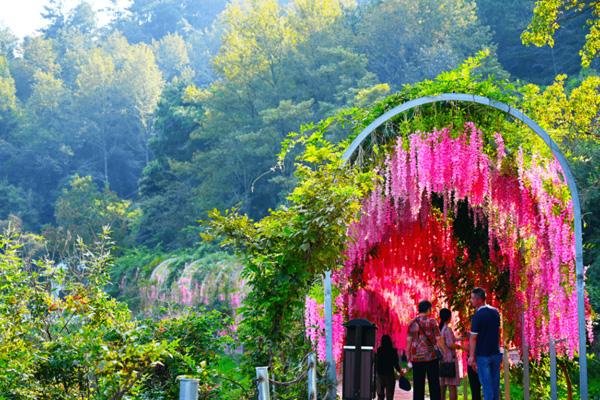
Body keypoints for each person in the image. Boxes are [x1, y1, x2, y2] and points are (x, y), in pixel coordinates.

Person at [406, 300, 447, 400]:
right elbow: (438, 339)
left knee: (418, 386)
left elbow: (409, 342)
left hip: (416, 358)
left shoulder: (412, 323)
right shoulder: (432, 321)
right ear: (428, 309)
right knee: (434, 385)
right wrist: (444, 352)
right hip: (431, 357)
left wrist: (408, 356)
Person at [468, 287, 501, 400]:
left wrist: (471, 356)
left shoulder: (478, 315)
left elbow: (473, 338)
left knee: (487, 386)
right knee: (495, 385)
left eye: (472, 298)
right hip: (495, 353)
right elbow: (498, 332)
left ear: (479, 300)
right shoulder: (495, 312)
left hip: (483, 355)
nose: (471, 301)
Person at [439, 308, 461, 400]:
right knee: (452, 386)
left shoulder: (440, 329)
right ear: (449, 317)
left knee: (442, 385)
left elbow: (450, 340)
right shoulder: (447, 329)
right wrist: (461, 347)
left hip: (442, 360)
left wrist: (460, 338)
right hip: (450, 360)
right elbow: (450, 344)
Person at [374, 334, 401, 400]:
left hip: (380, 374)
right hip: (390, 375)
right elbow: (395, 363)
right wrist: (400, 371)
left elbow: (376, 362)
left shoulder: (379, 350)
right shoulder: (393, 351)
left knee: (380, 396)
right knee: (390, 396)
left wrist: (375, 373)